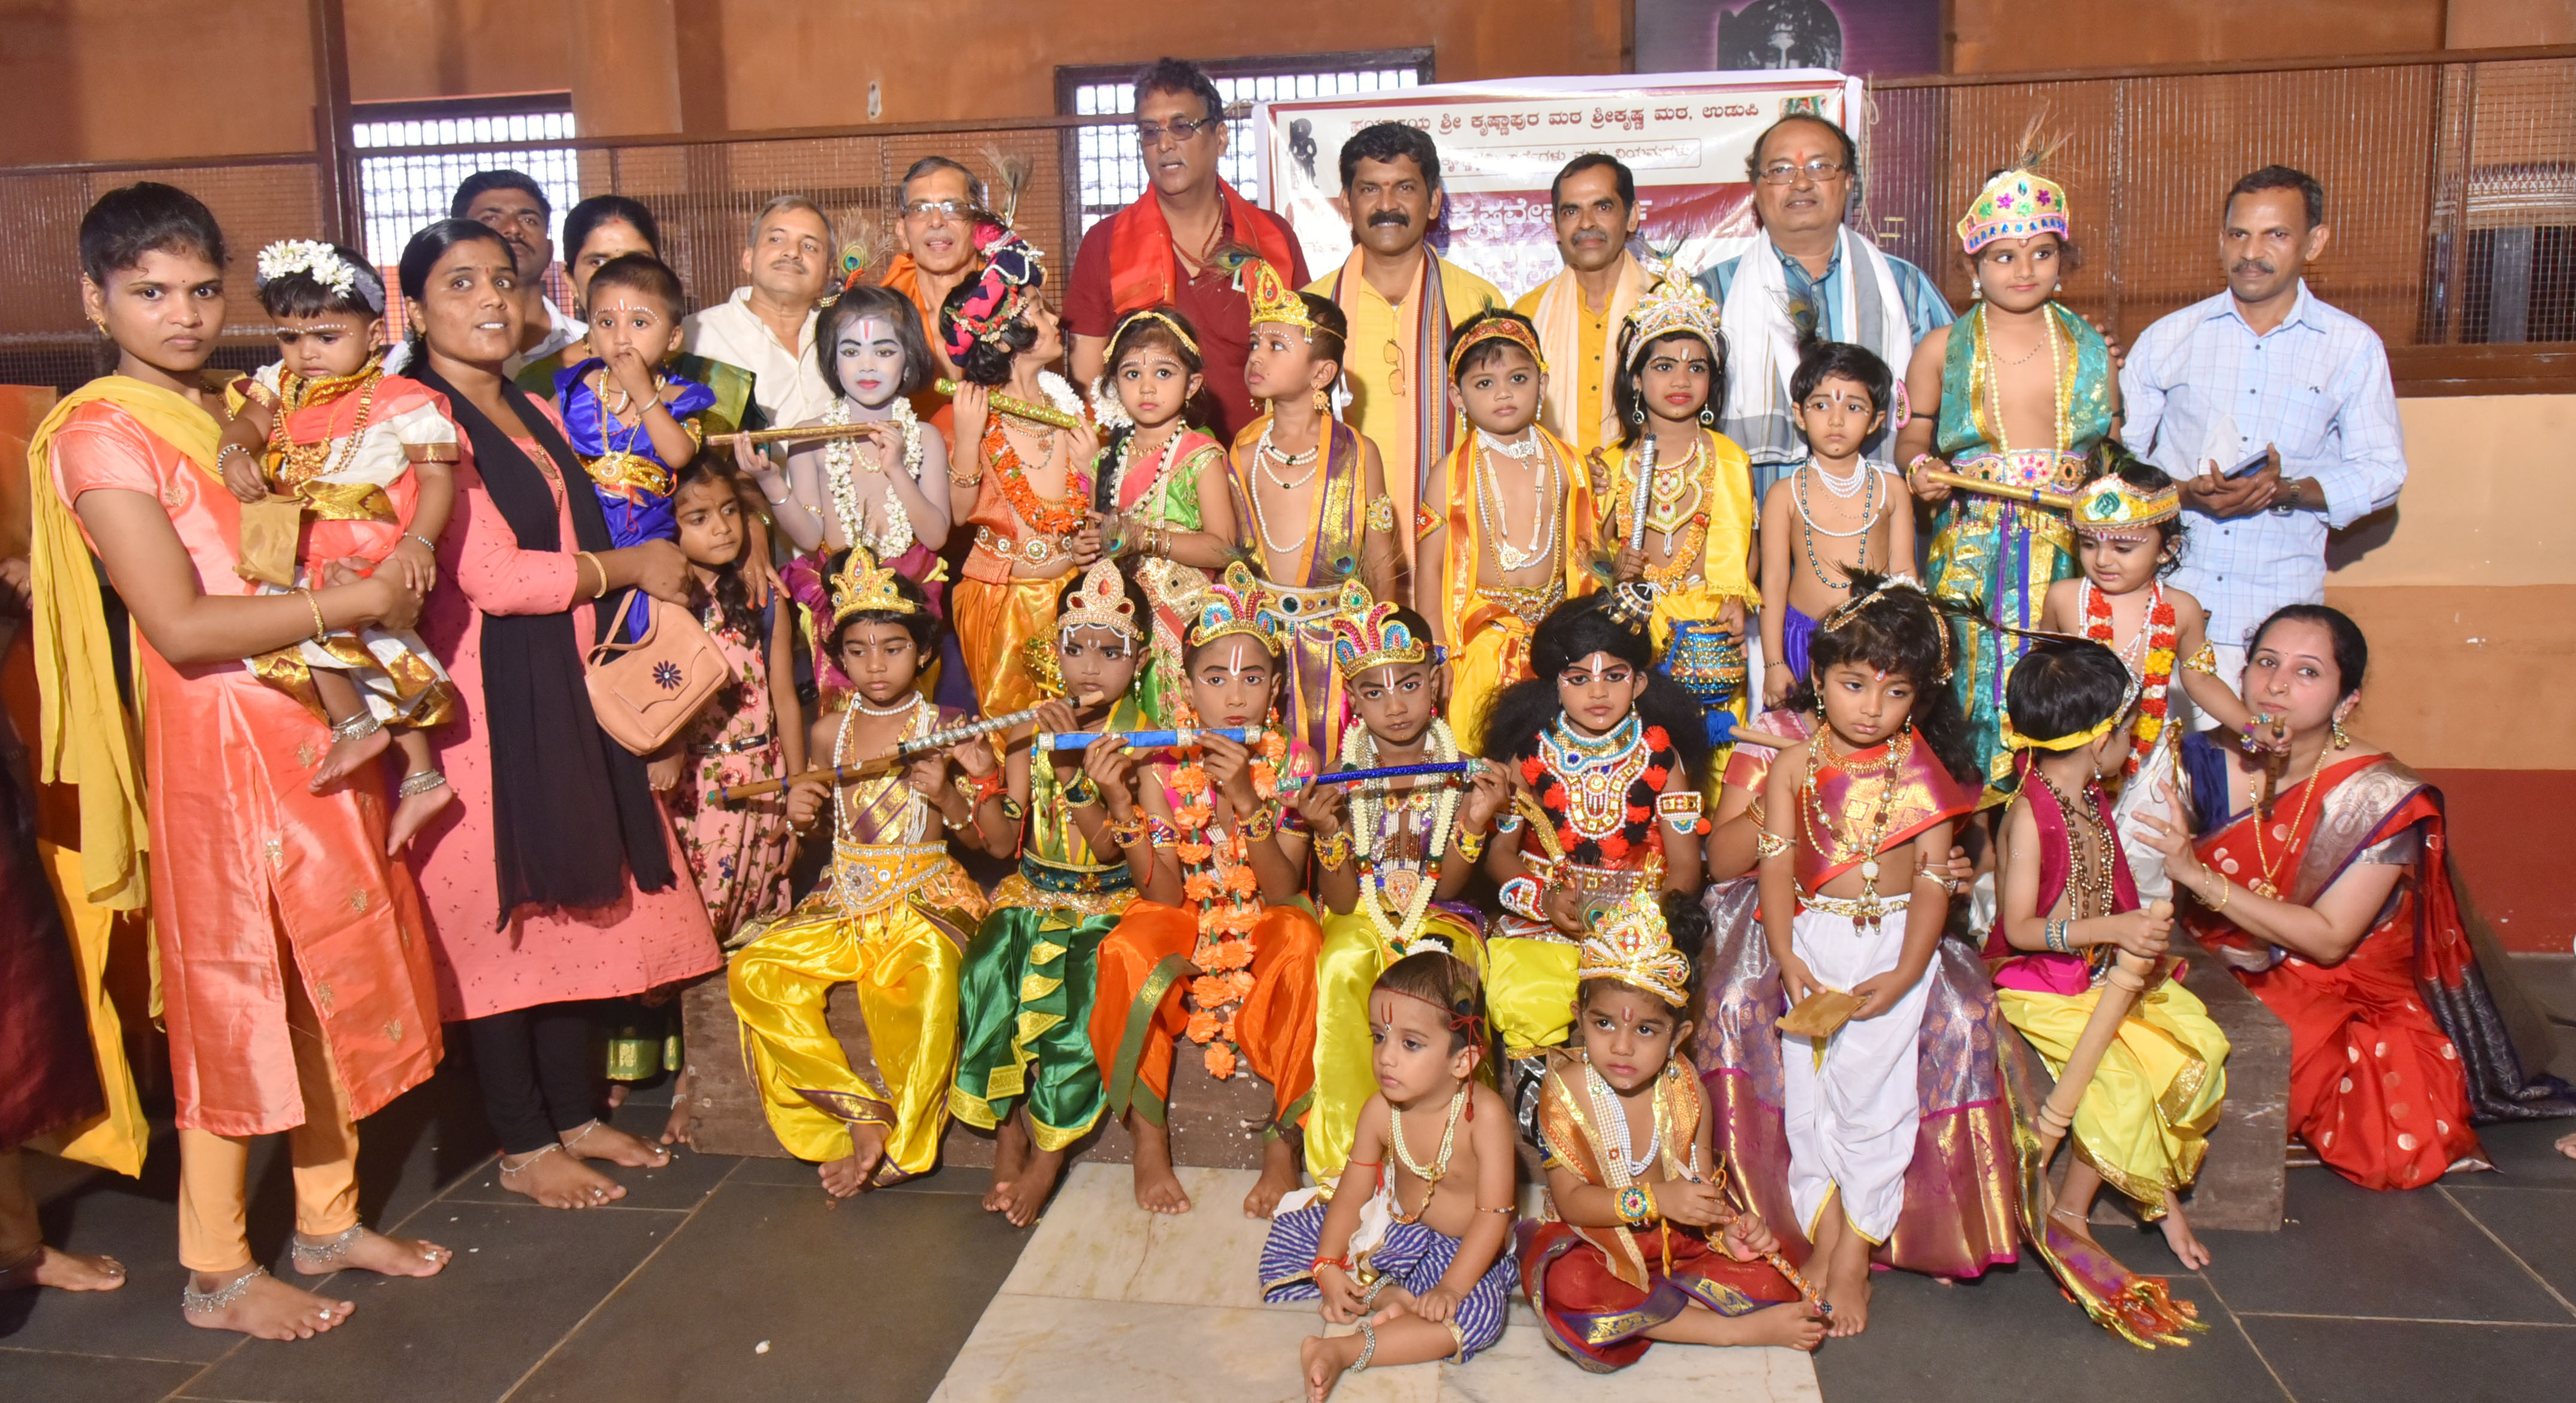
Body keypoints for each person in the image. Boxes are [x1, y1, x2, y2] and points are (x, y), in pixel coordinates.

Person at [34, 183, 451, 1338]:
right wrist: (352, 596)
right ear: (95, 298)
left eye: (203, 289)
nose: (183, 313)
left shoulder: (233, 405)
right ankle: (214, 1265)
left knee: (325, 973)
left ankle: (326, 1215)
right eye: (149, 292)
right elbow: (179, 624)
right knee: (235, 984)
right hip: (216, 735)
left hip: (305, 722)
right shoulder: (100, 432)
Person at [398, 217, 720, 1211]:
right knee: (502, 919)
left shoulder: (527, 403)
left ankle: (574, 1112)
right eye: (460, 284)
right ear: (412, 309)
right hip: (481, 699)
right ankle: (523, 1138)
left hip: (556, 681)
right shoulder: (419, 413)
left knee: (565, 903)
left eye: (504, 280)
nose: (492, 300)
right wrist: (627, 567)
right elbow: (490, 574)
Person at [2135, 605, 2575, 1190]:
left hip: (2337, 988)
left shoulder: (2380, 798)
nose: (2278, 683)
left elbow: (2330, 938)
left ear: (2347, 702)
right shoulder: (2197, 762)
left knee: (2369, 1103)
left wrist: (2201, 878)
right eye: (2266, 662)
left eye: (2308, 671)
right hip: (2209, 960)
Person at [1753, 573, 1982, 1332]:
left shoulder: (1923, 778)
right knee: (1810, 1097)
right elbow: (1778, 869)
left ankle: (1854, 1253)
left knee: (1875, 1100)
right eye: (1853, 685)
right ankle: (1824, 1232)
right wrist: (1786, 955)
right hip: (1813, 940)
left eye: (1894, 693)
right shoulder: (1793, 768)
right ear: (1819, 678)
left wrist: (1911, 968)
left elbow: (1928, 887)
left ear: (1918, 699)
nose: (1871, 708)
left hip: (1891, 946)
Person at [731, 549, 995, 1195]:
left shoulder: (950, 727)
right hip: (842, 899)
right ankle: (858, 1114)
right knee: (756, 970)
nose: (876, 665)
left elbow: (994, 841)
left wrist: (956, 794)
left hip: (923, 897)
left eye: (893, 648)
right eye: (858, 651)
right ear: (838, 658)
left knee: (931, 979)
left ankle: (907, 1145)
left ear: (924, 651)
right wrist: (802, 815)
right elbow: (827, 829)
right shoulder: (827, 734)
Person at [1086, 563, 1322, 1218]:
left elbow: (1282, 893)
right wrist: (1121, 803)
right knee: (1129, 943)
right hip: (1188, 912)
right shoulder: (1162, 771)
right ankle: (1149, 1139)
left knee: (1301, 938)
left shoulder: (1296, 762)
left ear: (1275, 689)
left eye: (1253, 677)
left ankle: (1283, 1143)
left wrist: (1247, 799)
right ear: (1188, 686)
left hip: (1263, 914)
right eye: (1215, 679)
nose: (1234, 695)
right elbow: (1162, 893)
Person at [1987, 639, 2230, 1269]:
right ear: (2100, 742)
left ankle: (2074, 1210)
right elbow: (2019, 929)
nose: (2133, 741)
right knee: (2118, 1081)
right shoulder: (2029, 815)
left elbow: (2107, 894)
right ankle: (2086, 1209)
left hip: (2098, 974)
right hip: (2040, 981)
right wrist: (2115, 930)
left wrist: (2125, 937)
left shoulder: (2089, 801)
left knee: (2194, 1048)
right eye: (2129, 728)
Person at [214, 239, 461, 854]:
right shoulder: (278, 386)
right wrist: (235, 449)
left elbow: (437, 480)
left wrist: (419, 545)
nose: (307, 353)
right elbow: (245, 423)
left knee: (354, 634)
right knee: (348, 646)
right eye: (290, 338)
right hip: (301, 539)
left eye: (326, 335)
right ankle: (422, 776)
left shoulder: (401, 399)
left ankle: (363, 731)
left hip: (371, 539)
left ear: (374, 332)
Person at [2121, 168, 2407, 691]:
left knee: (2262, 770)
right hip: (2169, 608)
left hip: (2277, 625)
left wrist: (2288, 490)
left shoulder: (2351, 347)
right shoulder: (2170, 338)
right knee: (2155, 770)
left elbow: (2383, 471)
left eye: (2276, 234)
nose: (2251, 252)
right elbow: (2119, 467)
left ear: (2314, 243)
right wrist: (2183, 493)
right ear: (2222, 240)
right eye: (2238, 234)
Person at [1519, 891, 1826, 1368]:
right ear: (1579, 1020)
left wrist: (1733, 1230)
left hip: (1674, 1244)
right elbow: (1574, 1200)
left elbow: (1702, 1197)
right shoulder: (1565, 1089)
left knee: (1772, 1275)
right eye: (1603, 1023)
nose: (1621, 1046)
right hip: (1599, 1239)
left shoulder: (1684, 1086)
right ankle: (1728, 1332)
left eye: (1645, 1030)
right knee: (1568, 1283)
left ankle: (1656, 1311)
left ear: (1676, 1036)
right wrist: (1658, 1198)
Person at [1901, 157, 2119, 799]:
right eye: (2003, 256)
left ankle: (2055, 833)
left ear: (2062, 260)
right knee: (1966, 686)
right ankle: (1971, 853)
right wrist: (1920, 468)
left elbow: (2110, 452)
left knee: (2060, 682)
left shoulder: (2092, 347)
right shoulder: (1941, 347)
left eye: (2041, 253)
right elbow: (1913, 434)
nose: (2024, 271)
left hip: (2064, 545)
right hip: (1972, 544)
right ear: (1972, 269)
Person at [951, 562, 1155, 1225]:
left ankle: (1049, 1156)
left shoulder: (1144, 738)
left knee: (1081, 999)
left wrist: (1070, 775)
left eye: (1109, 650)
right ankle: (1008, 1131)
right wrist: (978, 785)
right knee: (986, 970)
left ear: (1140, 658)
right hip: (1032, 890)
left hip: (1108, 901)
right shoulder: (1025, 726)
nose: (1089, 666)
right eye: (1075, 648)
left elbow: (1106, 849)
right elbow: (998, 839)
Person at [1295, 581, 1510, 1185]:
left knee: (1438, 965)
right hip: (1360, 914)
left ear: (1436, 682)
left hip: (1439, 915)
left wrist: (1471, 819)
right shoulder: (1342, 775)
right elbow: (1339, 899)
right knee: (1341, 960)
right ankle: (1347, 1164)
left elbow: (1446, 893)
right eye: (1374, 691)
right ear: (1353, 701)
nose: (1395, 707)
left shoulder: (1459, 767)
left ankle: (1452, 1159)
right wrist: (1327, 830)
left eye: (1408, 685)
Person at [1480, 589, 1709, 1131]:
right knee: (1524, 989)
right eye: (1579, 678)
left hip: (1639, 924)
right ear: (1554, 685)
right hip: (1548, 918)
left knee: (1637, 1002)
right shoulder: (1528, 755)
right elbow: (1499, 859)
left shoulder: (1662, 757)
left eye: (1614, 675)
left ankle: (1632, 1143)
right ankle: (1555, 1145)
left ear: (1641, 682)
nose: (1598, 691)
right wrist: (1547, 902)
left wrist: (1643, 921)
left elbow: (1685, 869)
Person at [1259, 951, 1519, 1400]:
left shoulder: (1486, 1118)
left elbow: (1493, 1216)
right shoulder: (1380, 1110)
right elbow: (1354, 1189)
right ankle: (1391, 1296)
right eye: (1379, 1036)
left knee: (1480, 1316)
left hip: (1469, 1250)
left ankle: (1344, 1349)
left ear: (1464, 1060)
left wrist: (1452, 1288)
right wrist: (1327, 1263)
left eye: (1411, 1043)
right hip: (1400, 1232)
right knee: (1316, 1241)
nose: (1386, 1058)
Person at [2034, 454, 2257, 899]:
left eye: (2124, 546)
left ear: (2167, 549)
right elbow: (2041, 673)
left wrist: (2252, 726)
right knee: (2066, 864)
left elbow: (2201, 681)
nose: (2103, 560)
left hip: (2146, 759)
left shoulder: (2182, 609)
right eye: (2090, 544)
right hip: (2073, 757)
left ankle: (2137, 960)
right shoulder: (2064, 597)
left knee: (2145, 864)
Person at [1698, 114, 1952, 496]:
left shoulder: (1907, 290)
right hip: (1755, 526)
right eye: (1781, 169)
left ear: (1849, 182)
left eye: (1819, 167)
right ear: (1757, 190)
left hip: (1885, 526)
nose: (1801, 182)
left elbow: (1961, 405)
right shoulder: (1710, 295)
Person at [1065, 57, 1308, 441]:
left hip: (1262, 466)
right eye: (1150, 131)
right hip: (1149, 477)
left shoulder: (1270, 238)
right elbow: (1087, 386)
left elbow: (1304, 363)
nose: (1164, 144)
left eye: (1182, 126)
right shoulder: (1104, 243)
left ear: (1222, 138)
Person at [1311, 122, 1505, 571]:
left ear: (1434, 201)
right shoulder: (1310, 310)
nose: (1386, 206)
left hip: (1460, 554)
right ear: (1346, 203)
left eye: (1404, 188)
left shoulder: (1481, 303)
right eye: (1369, 189)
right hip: (1341, 563)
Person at [744, 285, 952, 702]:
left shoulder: (925, 437)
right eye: (852, 351)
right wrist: (770, 483)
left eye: (885, 351)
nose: (868, 365)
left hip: (906, 602)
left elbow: (936, 536)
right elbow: (807, 536)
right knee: (842, 723)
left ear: (909, 357)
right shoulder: (810, 435)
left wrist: (897, 469)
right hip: (836, 598)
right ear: (831, 360)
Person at [1230, 262, 1401, 756]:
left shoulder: (1358, 453)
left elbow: (1381, 563)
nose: (1257, 357)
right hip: (1258, 647)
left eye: (1276, 346)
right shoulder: (1241, 451)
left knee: (1334, 779)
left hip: (1336, 645)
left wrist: (1378, 653)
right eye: (1254, 345)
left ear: (1322, 373)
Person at [944, 223, 1105, 717]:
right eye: (1039, 310)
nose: (1057, 319)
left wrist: (1089, 470)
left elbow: (1088, 515)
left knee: (1076, 733)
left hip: (1071, 601)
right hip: (1003, 602)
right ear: (1005, 334)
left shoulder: (1068, 407)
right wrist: (968, 439)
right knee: (1014, 738)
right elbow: (958, 515)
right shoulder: (980, 412)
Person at [1598, 272, 1758, 759]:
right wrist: (1611, 569)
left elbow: (1750, 551)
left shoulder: (1730, 458)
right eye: (1664, 366)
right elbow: (1588, 550)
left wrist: (1738, 600)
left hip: (1709, 632)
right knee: (1642, 767)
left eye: (1697, 367)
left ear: (1713, 381)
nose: (1681, 380)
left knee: (1717, 763)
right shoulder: (1611, 463)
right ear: (1636, 377)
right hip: (1635, 629)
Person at [1419, 311, 1595, 750]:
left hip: (1558, 640)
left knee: (1560, 759)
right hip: (1482, 639)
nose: (1504, 394)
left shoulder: (1568, 464)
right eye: (1484, 384)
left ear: (1543, 383)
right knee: (1477, 754)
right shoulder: (1448, 475)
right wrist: (1436, 652)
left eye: (1518, 378)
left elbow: (1587, 552)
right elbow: (1431, 567)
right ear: (1458, 397)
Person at [660, 457, 804, 938]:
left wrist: (797, 793)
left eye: (729, 511)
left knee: (755, 915)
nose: (722, 528)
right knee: (691, 921)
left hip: (763, 781)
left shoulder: (765, 597)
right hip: (691, 787)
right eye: (699, 519)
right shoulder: (660, 603)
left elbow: (785, 699)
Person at [557, 254, 716, 642]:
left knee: (650, 651)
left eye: (640, 323)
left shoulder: (680, 397)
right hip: (581, 540)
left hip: (652, 547)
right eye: (606, 322)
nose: (621, 337)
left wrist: (644, 393)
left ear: (674, 337)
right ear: (590, 332)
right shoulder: (575, 389)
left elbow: (678, 454)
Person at [1092, 305, 1238, 720]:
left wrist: (1145, 539)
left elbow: (1225, 550)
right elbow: (1102, 551)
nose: (1147, 388)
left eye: (1164, 373)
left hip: (1182, 625)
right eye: (1132, 374)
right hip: (1121, 632)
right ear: (1113, 384)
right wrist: (1088, 548)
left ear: (1192, 384)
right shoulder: (1106, 461)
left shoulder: (1200, 456)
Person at [1757, 340, 1908, 708]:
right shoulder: (1784, 494)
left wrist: (1909, 648)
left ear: (1876, 421)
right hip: (1802, 641)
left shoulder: (1892, 490)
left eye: (1853, 407)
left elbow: (1906, 575)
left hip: (1878, 642)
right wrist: (1775, 663)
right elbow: (1773, 584)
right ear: (1799, 414)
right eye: (1822, 405)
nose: (1836, 420)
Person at [535, 195, 762, 434]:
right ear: (570, 281)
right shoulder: (544, 380)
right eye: (599, 261)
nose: (622, 275)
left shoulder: (710, 379)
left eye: (638, 260)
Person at [1515, 154, 1651, 457]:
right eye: (1571, 211)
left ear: (1632, 217)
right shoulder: (1527, 316)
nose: (1587, 223)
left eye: (1603, 208)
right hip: (1554, 497)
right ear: (1556, 225)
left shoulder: (1666, 305)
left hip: (1654, 493)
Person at [386, 169, 581, 380]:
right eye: (491, 218)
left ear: (551, 250)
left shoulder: (588, 342)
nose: (514, 229)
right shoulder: (407, 363)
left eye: (529, 220)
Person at [680, 195, 839, 431]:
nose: (792, 253)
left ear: (829, 271)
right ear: (748, 259)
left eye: (809, 246)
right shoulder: (695, 336)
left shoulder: (845, 336)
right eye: (776, 239)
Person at [877, 156, 990, 401]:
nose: (937, 221)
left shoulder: (1018, 308)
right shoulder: (881, 318)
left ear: (979, 225)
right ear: (902, 232)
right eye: (920, 209)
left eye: (953, 207)